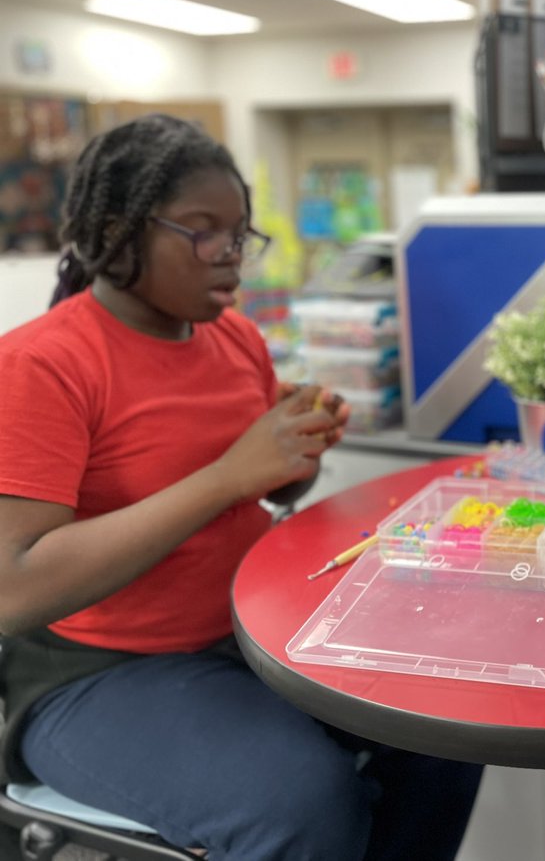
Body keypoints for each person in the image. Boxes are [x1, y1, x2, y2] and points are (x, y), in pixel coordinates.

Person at [0, 114, 482, 861]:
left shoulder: (235, 338)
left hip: (247, 632)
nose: (232, 255)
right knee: (300, 801)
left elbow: (269, 496)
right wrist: (230, 473)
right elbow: (15, 587)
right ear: (120, 229)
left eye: (240, 234)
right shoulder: (42, 364)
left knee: (443, 719)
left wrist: (296, 450)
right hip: (98, 670)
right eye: (203, 230)